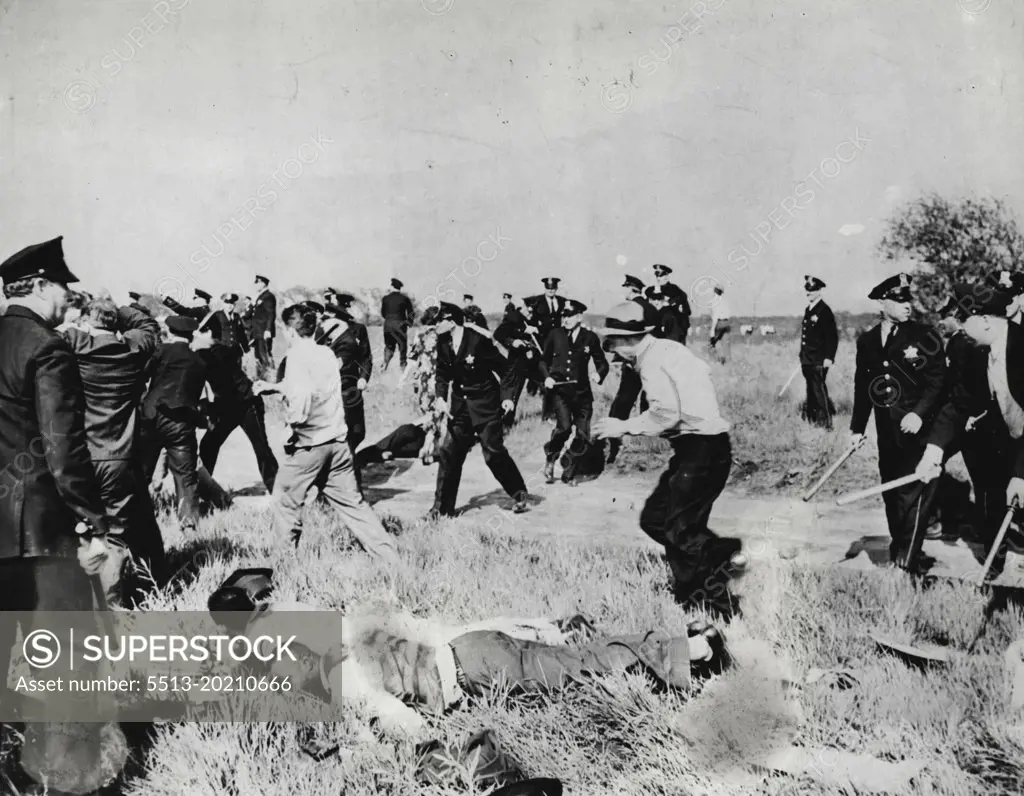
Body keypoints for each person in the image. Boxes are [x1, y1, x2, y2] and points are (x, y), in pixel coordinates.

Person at [209, 588, 729, 742]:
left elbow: (390, 712)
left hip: (477, 669)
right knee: (577, 662)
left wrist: (428, 747)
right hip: (473, 647)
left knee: (582, 667)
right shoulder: (347, 627)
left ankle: (696, 652)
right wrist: (533, 621)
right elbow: (434, 626)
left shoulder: (333, 668)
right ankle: (686, 647)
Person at [0, 236, 127, 793]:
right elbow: (62, 449)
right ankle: (71, 781)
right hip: (40, 533)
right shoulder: (46, 346)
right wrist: (95, 522)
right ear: (41, 286)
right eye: (63, 287)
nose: (68, 298)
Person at [593, 301, 744, 618]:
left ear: (629, 339)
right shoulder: (665, 350)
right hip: (696, 449)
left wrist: (625, 427)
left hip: (703, 449)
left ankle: (718, 608)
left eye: (613, 343)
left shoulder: (652, 363)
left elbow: (666, 413)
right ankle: (717, 554)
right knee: (655, 519)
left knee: (680, 532)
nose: (611, 351)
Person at [253, 304, 399, 564]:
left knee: (286, 502)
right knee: (354, 506)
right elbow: (316, 387)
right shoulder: (326, 354)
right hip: (338, 444)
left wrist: (291, 429)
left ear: (289, 331)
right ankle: (392, 560)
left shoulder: (295, 356)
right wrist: (275, 388)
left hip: (310, 446)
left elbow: (301, 401)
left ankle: (283, 569)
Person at [61, 295, 166, 605]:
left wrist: (82, 318)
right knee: (113, 536)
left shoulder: (76, 343)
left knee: (81, 531)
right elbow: (146, 325)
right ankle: (112, 606)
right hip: (119, 457)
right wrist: (114, 309)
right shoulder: (132, 350)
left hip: (80, 456)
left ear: (86, 321)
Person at [915, 282, 1023, 581]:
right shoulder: (975, 350)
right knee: (994, 493)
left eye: (965, 321)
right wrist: (934, 450)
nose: (960, 328)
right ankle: (995, 560)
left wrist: (1021, 473)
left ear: (985, 320)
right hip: (1000, 435)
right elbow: (958, 402)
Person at [850, 273, 945, 570]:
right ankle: (900, 545)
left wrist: (919, 413)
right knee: (891, 492)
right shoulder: (867, 341)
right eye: (899, 300)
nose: (907, 305)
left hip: (917, 429)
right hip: (886, 432)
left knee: (913, 493)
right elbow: (863, 388)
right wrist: (856, 428)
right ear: (882, 302)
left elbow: (937, 381)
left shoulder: (924, 335)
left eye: (908, 299)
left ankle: (908, 554)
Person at [429, 302, 530, 519]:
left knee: (492, 453)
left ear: (452, 321)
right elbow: (442, 374)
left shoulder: (478, 340)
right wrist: (439, 397)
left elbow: (505, 370)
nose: (435, 325)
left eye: (439, 321)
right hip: (460, 407)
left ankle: (518, 492)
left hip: (485, 404)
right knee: (449, 452)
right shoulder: (443, 341)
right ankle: (441, 509)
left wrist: (507, 399)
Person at [138, 315, 209, 532]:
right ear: (190, 336)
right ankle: (188, 525)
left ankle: (137, 517)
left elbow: (143, 375)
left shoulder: (162, 352)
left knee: (141, 470)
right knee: (185, 476)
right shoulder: (199, 362)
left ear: (169, 332)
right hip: (181, 422)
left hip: (152, 417)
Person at [192, 329, 279, 494]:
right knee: (209, 445)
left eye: (197, 335)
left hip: (247, 403)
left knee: (261, 448)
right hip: (227, 406)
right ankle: (203, 491)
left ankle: (278, 491)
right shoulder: (205, 354)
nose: (194, 338)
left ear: (209, 335)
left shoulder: (216, 353)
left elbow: (218, 360)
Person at [539, 299, 609, 485]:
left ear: (579, 317)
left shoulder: (590, 338)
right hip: (561, 392)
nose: (566, 319)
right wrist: (547, 376)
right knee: (563, 428)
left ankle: (569, 469)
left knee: (582, 434)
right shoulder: (555, 335)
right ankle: (551, 458)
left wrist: (598, 374)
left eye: (570, 315)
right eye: (564, 315)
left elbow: (602, 363)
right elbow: (542, 361)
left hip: (583, 393)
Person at [606, 275, 658, 464]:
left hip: (632, 363)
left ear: (632, 289)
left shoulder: (629, 310)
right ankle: (648, 441)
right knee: (648, 401)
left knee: (623, 402)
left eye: (625, 288)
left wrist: (618, 359)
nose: (624, 292)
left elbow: (622, 338)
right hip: (650, 363)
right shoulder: (652, 309)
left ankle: (613, 444)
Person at [319, 293, 373, 458]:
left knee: (358, 431)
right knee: (340, 431)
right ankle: (345, 466)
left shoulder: (358, 329)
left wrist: (364, 377)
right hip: (331, 389)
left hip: (352, 384)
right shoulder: (322, 331)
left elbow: (365, 357)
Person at [493, 298, 543, 429]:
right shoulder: (513, 317)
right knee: (512, 393)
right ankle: (504, 425)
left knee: (548, 386)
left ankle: (549, 418)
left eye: (532, 312)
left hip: (534, 361)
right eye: (528, 310)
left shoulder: (535, 318)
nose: (530, 313)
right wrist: (513, 342)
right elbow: (498, 334)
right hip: (517, 361)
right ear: (522, 308)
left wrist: (537, 330)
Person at [799, 275, 839, 429]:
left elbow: (832, 337)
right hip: (807, 358)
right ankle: (812, 419)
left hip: (819, 359)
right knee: (810, 390)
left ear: (819, 291)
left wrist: (829, 357)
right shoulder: (808, 309)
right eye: (807, 290)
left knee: (818, 390)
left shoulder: (824, 310)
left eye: (812, 290)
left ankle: (825, 424)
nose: (809, 293)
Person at [644, 264, 691, 344]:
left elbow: (686, 311)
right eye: (656, 275)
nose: (658, 278)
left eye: (661, 275)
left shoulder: (675, 290)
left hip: (673, 331)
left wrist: (669, 303)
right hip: (656, 331)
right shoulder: (651, 290)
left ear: (666, 276)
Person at [381, 277, 415, 372]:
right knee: (402, 346)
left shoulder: (385, 299)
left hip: (388, 326)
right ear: (400, 288)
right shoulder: (405, 299)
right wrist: (409, 323)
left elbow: (383, 313)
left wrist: (389, 319)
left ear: (392, 286)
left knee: (389, 346)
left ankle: (385, 363)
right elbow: (411, 313)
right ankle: (402, 366)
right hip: (400, 326)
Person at [251, 274, 278, 380]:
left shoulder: (268, 296)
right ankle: (261, 378)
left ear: (263, 283)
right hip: (258, 332)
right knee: (258, 356)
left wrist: (267, 330)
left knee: (264, 355)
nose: (256, 285)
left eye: (257, 283)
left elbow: (271, 314)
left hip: (263, 332)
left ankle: (270, 378)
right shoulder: (261, 296)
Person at [708, 285, 731, 363]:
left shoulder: (714, 301)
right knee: (726, 346)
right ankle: (727, 364)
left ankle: (719, 362)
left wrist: (712, 332)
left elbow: (715, 317)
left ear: (715, 290)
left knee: (716, 345)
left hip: (719, 323)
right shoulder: (725, 301)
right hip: (727, 323)